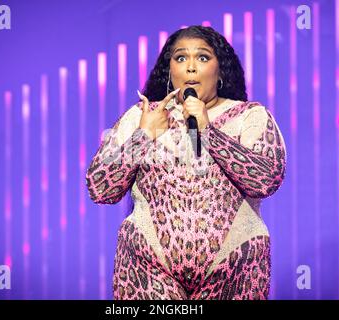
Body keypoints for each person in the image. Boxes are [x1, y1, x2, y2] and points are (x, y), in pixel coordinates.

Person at [86, 25, 286, 300]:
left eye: (203, 58)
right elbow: (100, 189)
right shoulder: (142, 116)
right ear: (169, 71)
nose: (191, 68)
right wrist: (143, 135)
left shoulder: (250, 116)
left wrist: (208, 131)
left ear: (220, 70)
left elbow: (265, 181)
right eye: (181, 58)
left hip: (234, 269)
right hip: (148, 268)